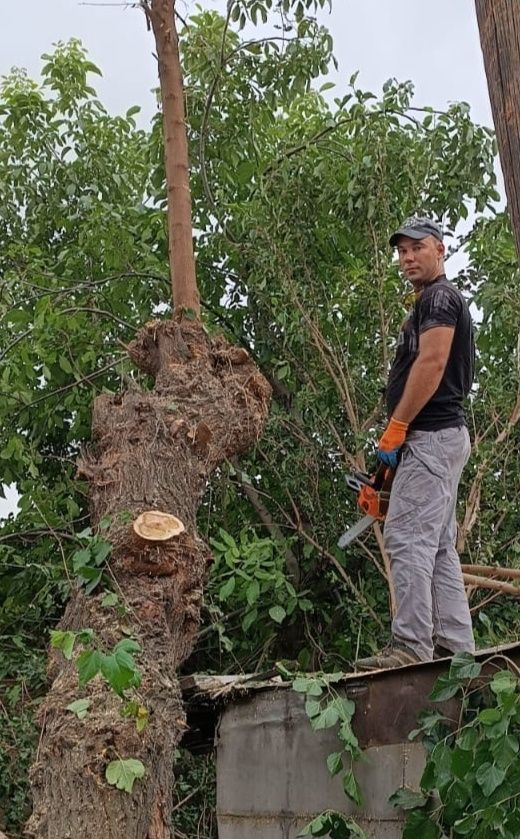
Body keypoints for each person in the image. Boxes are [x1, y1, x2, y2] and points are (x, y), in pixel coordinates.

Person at [356, 215, 476, 670]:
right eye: (402, 252)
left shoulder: (440, 298)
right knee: (439, 545)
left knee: (406, 537)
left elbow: (432, 361)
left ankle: (410, 646)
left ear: (440, 250)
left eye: (417, 248)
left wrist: (398, 426)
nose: (407, 258)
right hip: (437, 438)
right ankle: (455, 650)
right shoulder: (428, 301)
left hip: (430, 435)